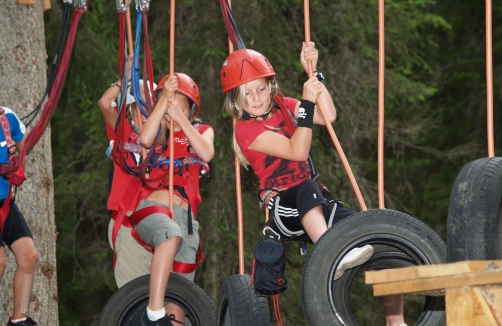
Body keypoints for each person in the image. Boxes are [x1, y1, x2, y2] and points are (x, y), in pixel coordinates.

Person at [221, 44, 407, 326]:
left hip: (315, 202)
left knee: (375, 239)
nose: (256, 98)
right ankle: (329, 250)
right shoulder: (245, 129)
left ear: (271, 87)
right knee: (306, 187)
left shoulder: (285, 105)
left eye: (260, 88)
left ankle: (396, 322)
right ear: (236, 100)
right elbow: (297, 151)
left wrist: (314, 76)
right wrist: (306, 104)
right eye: (246, 93)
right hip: (284, 208)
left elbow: (328, 115)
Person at [132, 73, 214, 326]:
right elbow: (144, 140)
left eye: (182, 107)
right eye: (170, 105)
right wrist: (162, 101)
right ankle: (153, 311)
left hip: (186, 218)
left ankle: (168, 318)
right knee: (169, 235)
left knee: (181, 295)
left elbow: (206, 152)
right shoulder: (157, 133)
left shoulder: (200, 131)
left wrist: (181, 119)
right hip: (155, 209)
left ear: (191, 112)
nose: (174, 111)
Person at [98, 73, 156, 288]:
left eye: (150, 111)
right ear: (130, 112)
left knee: (158, 291)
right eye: (141, 111)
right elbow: (104, 103)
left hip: (156, 217)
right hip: (128, 218)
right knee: (135, 289)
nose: (146, 116)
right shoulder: (122, 132)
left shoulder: (161, 141)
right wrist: (123, 80)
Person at [0, 106, 38, 326]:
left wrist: (16, 167)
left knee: (28, 256)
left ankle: (19, 320)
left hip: (4, 203)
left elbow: (22, 144)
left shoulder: (7, 118)